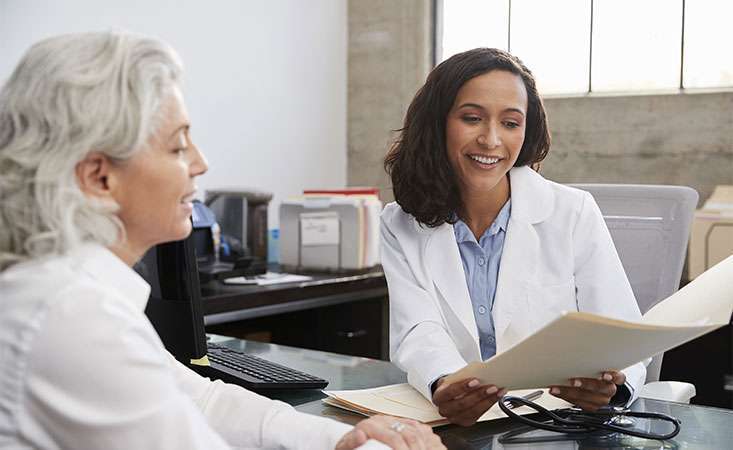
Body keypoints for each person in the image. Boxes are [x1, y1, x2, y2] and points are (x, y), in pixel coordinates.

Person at [0, 31, 444, 450]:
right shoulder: (72, 316)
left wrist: (341, 439)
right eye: (178, 147)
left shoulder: (73, 294)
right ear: (99, 177)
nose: (201, 163)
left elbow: (201, 401)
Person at [381, 48, 647, 427]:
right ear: (437, 124)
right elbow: (416, 328)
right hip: (459, 425)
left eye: (510, 123)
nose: (491, 140)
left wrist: (611, 389)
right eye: (472, 118)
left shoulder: (572, 212)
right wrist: (445, 381)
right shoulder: (399, 223)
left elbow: (622, 332)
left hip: (557, 423)